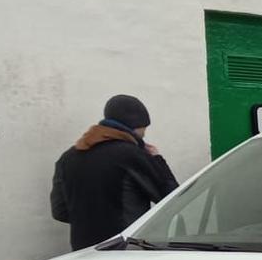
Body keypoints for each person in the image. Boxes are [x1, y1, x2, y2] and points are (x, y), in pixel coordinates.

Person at [50, 94, 177, 251]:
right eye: (145, 128)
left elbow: (60, 211)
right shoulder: (131, 155)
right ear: (138, 125)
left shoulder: (68, 157)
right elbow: (171, 198)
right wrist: (157, 159)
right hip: (125, 250)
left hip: (83, 253)